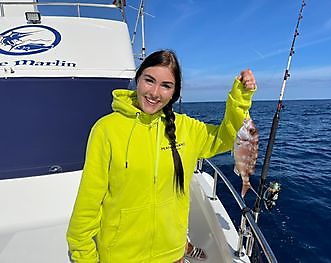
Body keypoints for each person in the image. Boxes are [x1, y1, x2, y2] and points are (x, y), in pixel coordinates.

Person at [66, 49, 256, 263]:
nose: (155, 92)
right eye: (149, 80)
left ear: (174, 92)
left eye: (166, 86)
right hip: (119, 256)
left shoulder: (187, 129)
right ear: (138, 79)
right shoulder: (105, 130)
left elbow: (226, 137)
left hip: (172, 255)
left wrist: (240, 98)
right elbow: (88, 203)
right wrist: (84, 256)